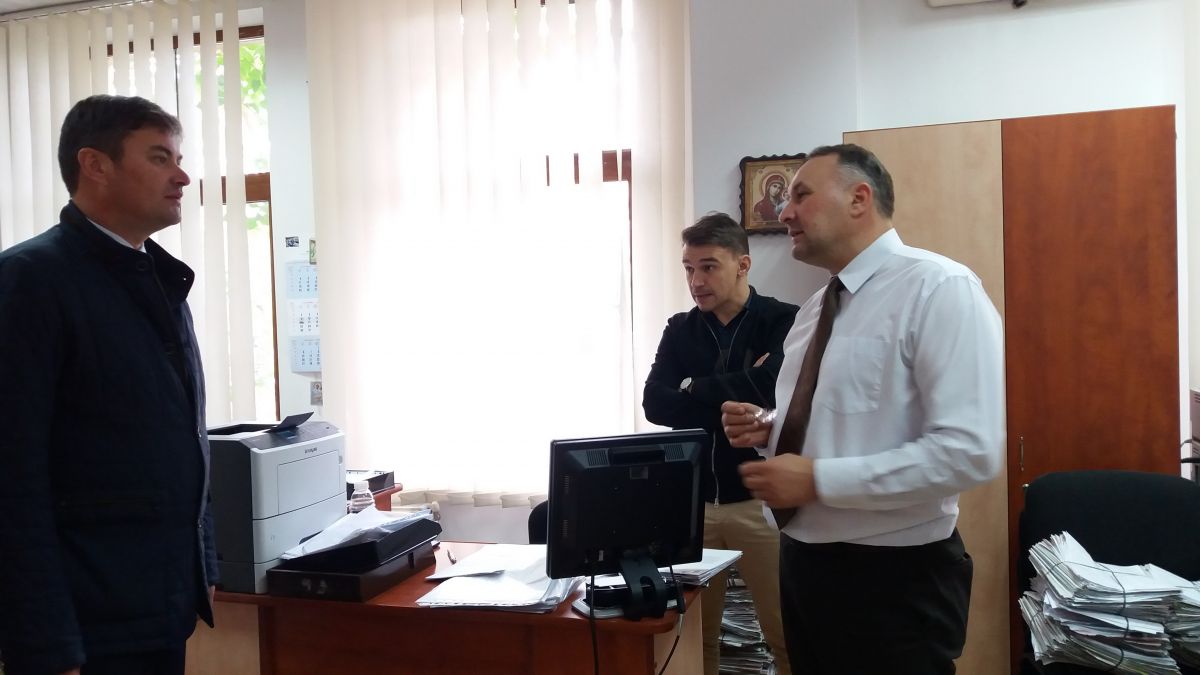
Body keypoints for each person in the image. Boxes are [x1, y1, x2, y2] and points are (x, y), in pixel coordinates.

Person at [721, 144, 1004, 675]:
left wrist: (818, 480)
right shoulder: (813, 311)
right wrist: (770, 428)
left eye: (801, 195)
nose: (785, 212)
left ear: (859, 199)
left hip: (892, 581)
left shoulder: (940, 288)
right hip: (804, 566)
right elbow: (848, 416)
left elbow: (971, 451)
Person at [0, 95, 218, 675]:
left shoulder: (156, 277)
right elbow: (12, 476)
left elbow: (184, 439)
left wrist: (203, 564)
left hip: (155, 604)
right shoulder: (31, 281)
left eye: (178, 159)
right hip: (84, 620)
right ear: (95, 165)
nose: (182, 177)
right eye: (160, 158)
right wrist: (44, 642)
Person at [643, 212, 797, 675]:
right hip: (693, 508)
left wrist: (691, 387)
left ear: (742, 264)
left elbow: (776, 391)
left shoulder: (785, 320)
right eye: (689, 268)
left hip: (761, 503)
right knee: (692, 639)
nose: (696, 281)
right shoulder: (680, 329)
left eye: (708, 266)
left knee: (787, 635)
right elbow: (655, 404)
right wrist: (742, 387)